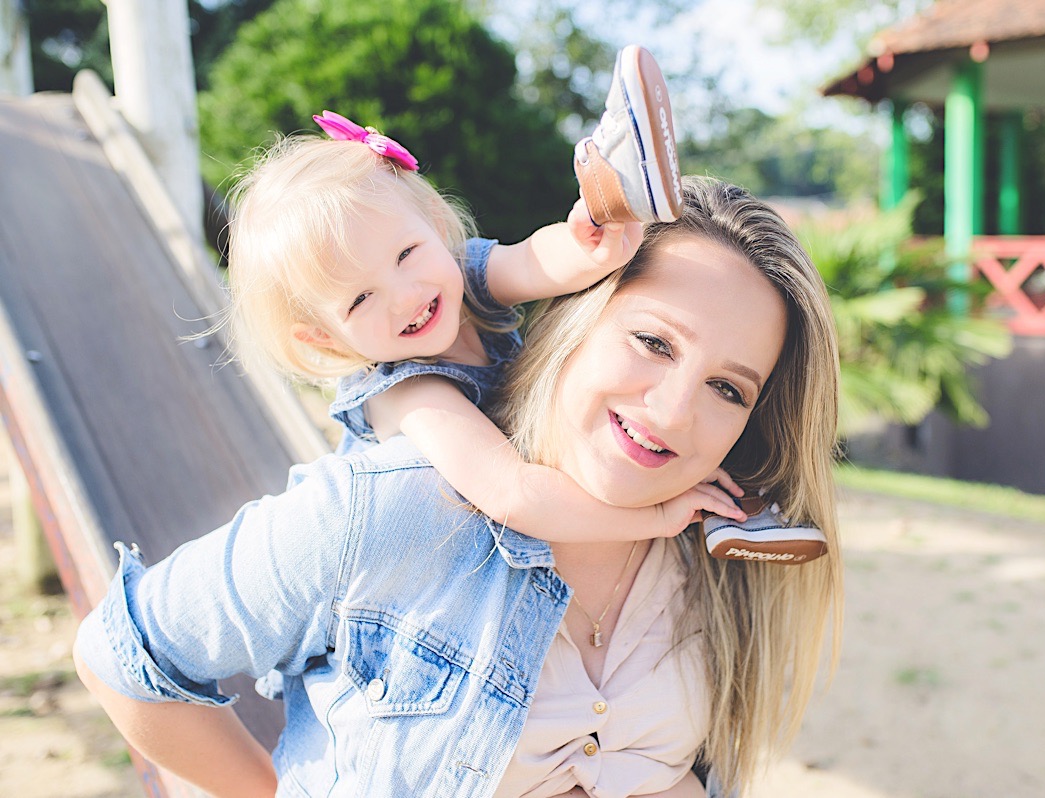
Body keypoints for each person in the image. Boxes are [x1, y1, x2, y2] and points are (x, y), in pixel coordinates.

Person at [73, 175, 843, 797]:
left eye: (729, 390)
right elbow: (122, 655)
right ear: (577, 319)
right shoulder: (396, 505)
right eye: (652, 341)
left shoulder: (719, 547)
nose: (674, 411)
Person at [223, 47, 749, 556]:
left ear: (432, 224)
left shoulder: (456, 278)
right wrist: (658, 519)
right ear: (321, 336)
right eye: (360, 298)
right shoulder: (406, 392)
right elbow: (513, 494)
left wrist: (594, 244)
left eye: (406, 253)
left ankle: (617, 181)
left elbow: (531, 263)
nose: (406, 295)